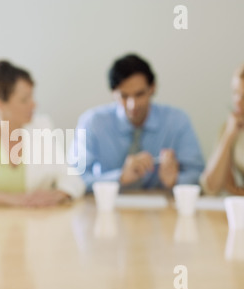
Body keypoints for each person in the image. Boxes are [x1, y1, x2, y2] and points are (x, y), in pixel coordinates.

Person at [69, 53, 205, 193]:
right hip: (108, 206)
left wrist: (176, 181)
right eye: (124, 96)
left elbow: (200, 176)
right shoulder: (93, 123)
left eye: (139, 94)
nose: (132, 105)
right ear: (113, 93)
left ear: (152, 88)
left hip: (162, 210)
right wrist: (119, 177)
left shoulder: (177, 121)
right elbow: (73, 179)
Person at [0, 60, 85, 207]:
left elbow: (73, 179)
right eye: (24, 99)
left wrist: (58, 195)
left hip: (36, 223)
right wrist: (6, 199)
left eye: (31, 96)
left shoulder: (42, 128)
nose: (34, 104)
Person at [200, 64, 244, 195]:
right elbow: (211, 186)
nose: (238, 101)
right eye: (235, 93)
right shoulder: (231, 127)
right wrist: (229, 136)